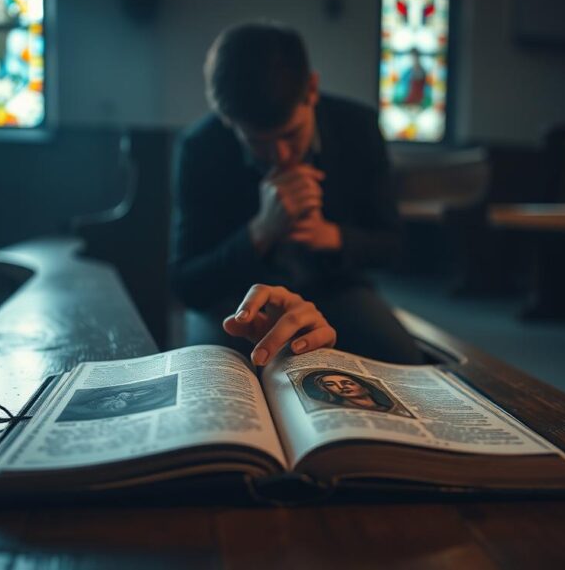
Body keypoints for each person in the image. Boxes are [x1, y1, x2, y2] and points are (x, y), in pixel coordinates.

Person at [171, 21, 423, 365]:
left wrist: (333, 238)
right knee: (216, 377)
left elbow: (395, 247)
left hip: (336, 290)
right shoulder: (200, 147)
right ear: (227, 120)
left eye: (290, 135)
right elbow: (188, 285)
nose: (282, 157)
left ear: (313, 90)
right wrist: (260, 232)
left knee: (404, 365)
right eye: (258, 143)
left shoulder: (358, 127)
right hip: (235, 299)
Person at [309, 371, 394, 412]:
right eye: (331, 384)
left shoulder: (388, 407)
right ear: (326, 389)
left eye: (347, 382)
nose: (341, 387)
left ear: (364, 386)